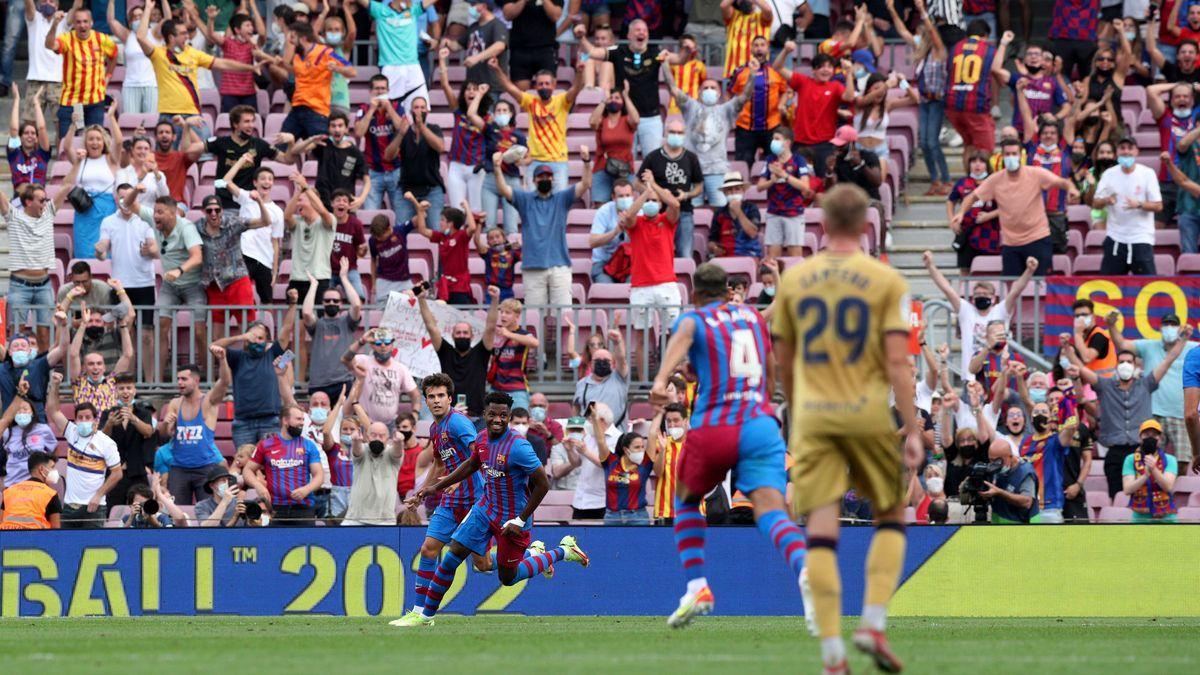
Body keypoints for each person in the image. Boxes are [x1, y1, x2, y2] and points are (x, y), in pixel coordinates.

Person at [770, 184, 922, 672]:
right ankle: (873, 622)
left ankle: (833, 653)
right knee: (892, 515)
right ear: (864, 225)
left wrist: (799, 413)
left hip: (814, 414)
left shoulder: (796, 280)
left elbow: (783, 359)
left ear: (821, 222)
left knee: (819, 530)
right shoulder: (885, 280)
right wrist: (913, 425)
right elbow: (899, 363)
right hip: (867, 411)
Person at [647, 261, 805, 625]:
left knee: (685, 499)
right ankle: (805, 568)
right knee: (772, 511)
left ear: (696, 293)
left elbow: (678, 344)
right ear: (728, 290)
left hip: (716, 424)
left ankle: (698, 584)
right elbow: (769, 366)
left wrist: (659, 381)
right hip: (760, 424)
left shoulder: (694, 319)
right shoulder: (752, 317)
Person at [393, 392, 590, 627]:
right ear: (485, 414)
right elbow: (470, 465)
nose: (498, 419)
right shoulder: (483, 439)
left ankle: (562, 551)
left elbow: (543, 484)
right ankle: (425, 616)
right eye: (493, 414)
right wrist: (434, 487)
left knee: (508, 578)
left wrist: (521, 519)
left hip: (512, 519)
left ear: (508, 417)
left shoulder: (519, 447)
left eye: (503, 415)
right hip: (485, 509)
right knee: (452, 556)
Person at [1066, 326, 1192, 499]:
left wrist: (1183, 339)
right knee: (1117, 499)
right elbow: (1081, 368)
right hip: (1115, 454)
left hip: (1141, 451)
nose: (1125, 365)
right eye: (1121, 362)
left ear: (1135, 366)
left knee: (1147, 497)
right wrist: (1067, 348)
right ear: (1116, 366)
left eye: (1129, 362)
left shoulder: (1146, 384)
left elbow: (1169, 359)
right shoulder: (1105, 386)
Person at [402, 373, 490, 618]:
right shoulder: (434, 427)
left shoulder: (459, 423)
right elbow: (440, 465)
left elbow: (480, 455)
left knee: (483, 565)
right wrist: (422, 493)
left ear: (450, 399)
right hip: (451, 500)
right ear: (426, 402)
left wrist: (457, 479)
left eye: (441, 395)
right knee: (429, 549)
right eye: (432, 396)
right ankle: (419, 613)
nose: (437, 400)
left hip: (476, 500)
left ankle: (532, 554)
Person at [950, 138, 1080, 275]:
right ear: (1002, 156)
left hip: (1037, 239)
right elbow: (972, 197)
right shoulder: (995, 180)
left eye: (1014, 154)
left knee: (1039, 285)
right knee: (1011, 287)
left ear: (1021, 155)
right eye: (1007, 154)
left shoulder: (1035, 173)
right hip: (1011, 243)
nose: (1011, 157)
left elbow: (1062, 182)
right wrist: (961, 213)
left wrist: (1072, 189)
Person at [494, 149, 593, 307]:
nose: (545, 178)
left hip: (559, 265)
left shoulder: (562, 198)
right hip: (533, 266)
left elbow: (586, 184)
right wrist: (497, 168)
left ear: (553, 179)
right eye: (541, 176)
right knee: (534, 316)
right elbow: (503, 189)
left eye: (548, 176)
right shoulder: (525, 199)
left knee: (564, 314)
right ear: (534, 180)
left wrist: (587, 162)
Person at [1108, 312, 1197, 476]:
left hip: (1181, 413)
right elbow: (1122, 345)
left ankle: (1177, 498)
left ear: (1179, 328)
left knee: (1183, 463)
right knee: (1151, 459)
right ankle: (1156, 495)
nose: (1169, 328)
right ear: (1160, 328)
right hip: (1154, 414)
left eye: (1173, 325)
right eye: (1166, 324)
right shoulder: (1149, 346)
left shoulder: (1191, 348)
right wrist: (1111, 325)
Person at [923, 251, 1037, 377]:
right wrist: (930, 266)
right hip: (971, 376)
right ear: (972, 299)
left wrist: (1029, 271)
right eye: (977, 295)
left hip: (998, 375)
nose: (981, 297)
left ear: (993, 298)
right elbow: (947, 289)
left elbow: (1016, 291)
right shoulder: (966, 311)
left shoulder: (1000, 311)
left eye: (985, 295)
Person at [137, 16, 260, 126]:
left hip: (193, 114)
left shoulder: (193, 53)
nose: (187, 36)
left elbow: (222, 63)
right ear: (171, 37)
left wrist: (250, 67)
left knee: (202, 151)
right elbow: (140, 37)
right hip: (169, 115)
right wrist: (147, 8)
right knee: (170, 152)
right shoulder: (158, 54)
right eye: (183, 33)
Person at [3, 178, 78, 351]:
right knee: (17, 335)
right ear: (28, 202)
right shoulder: (14, 217)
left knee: (45, 335)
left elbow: (66, 185)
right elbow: (1, 199)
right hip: (19, 285)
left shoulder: (48, 215)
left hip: (44, 284)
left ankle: (44, 377)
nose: (46, 203)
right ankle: (16, 377)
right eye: (41, 200)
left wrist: (78, 162)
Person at [490, 56, 584, 190]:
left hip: (558, 161)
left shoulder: (562, 101)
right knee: (532, 205)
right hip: (534, 161)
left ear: (554, 85)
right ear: (535, 86)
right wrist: (497, 69)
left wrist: (580, 73)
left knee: (558, 204)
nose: (544, 87)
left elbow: (575, 89)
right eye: (540, 84)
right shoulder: (531, 101)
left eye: (547, 83)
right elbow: (510, 87)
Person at [664, 62, 748, 210]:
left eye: (713, 88)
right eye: (706, 88)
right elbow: (672, 88)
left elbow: (745, 96)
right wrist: (664, 64)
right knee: (689, 212)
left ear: (719, 93)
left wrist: (752, 75)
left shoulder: (726, 110)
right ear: (699, 92)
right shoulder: (690, 106)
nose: (709, 90)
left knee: (722, 211)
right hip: (691, 172)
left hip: (717, 171)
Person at [46, 371, 123, 528]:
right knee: (67, 548)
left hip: (94, 507)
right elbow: (53, 411)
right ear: (75, 419)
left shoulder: (106, 443)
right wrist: (55, 385)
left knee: (93, 550)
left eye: (88, 417)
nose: (83, 421)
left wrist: (99, 495)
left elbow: (117, 473)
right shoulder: (71, 432)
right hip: (70, 506)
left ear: (95, 420)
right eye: (80, 417)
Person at [775, 46, 856, 178]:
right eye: (822, 67)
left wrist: (849, 73)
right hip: (800, 143)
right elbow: (777, 67)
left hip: (824, 144)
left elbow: (849, 97)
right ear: (814, 70)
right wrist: (785, 51)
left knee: (824, 181)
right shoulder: (803, 81)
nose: (826, 70)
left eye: (830, 67)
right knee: (797, 181)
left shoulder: (835, 86)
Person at [156, 362, 230, 505]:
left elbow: (225, 381)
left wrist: (222, 359)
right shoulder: (175, 403)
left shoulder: (208, 401)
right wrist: (165, 423)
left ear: (196, 381)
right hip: (179, 468)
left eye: (184, 379)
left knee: (209, 514)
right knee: (178, 515)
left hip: (205, 467)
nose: (179, 382)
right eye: (178, 379)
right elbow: (164, 435)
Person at [416, 286, 494, 418]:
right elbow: (431, 327)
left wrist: (495, 299)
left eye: (465, 333)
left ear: (472, 336)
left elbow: (491, 327)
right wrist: (421, 299)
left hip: (478, 416)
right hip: (449, 415)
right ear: (452, 336)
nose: (462, 335)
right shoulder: (446, 351)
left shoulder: (481, 353)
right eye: (458, 333)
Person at [242, 405, 326, 526]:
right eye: (298, 419)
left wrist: (307, 489)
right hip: (276, 509)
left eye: (303, 419)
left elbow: (319, 475)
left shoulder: (308, 445)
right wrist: (257, 485)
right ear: (285, 421)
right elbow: (247, 470)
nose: (302, 423)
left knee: (304, 544)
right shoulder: (265, 445)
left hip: (303, 508)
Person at [1091, 138, 1162, 275]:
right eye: (1122, 148)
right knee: (1108, 285)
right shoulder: (1109, 174)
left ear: (1136, 151)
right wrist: (1106, 200)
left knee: (1147, 286)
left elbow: (1158, 206)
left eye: (1130, 148)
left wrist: (1139, 204)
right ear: (1117, 152)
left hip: (1141, 237)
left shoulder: (1147, 173)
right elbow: (1095, 204)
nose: (1126, 151)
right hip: (1115, 237)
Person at [275, 21, 356, 140]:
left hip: (316, 111)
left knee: (323, 151)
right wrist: (283, 64)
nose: (290, 42)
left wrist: (337, 68)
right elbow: (298, 72)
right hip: (297, 109)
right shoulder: (298, 57)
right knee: (281, 145)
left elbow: (352, 71)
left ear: (302, 38)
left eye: (292, 37)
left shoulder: (325, 52)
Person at [47, 8, 118, 140]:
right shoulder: (67, 38)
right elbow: (50, 45)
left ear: (91, 22)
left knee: (95, 142)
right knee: (67, 143)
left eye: (85, 21)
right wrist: (55, 24)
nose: (82, 25)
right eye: (78, 22)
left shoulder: (101, 39)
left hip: (95, 101)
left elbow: (114, 54)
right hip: (71, 102)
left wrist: (108, 76)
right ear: (73, 24)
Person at [638, 119, 703, 258]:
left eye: (679, 132)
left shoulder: (691, 158)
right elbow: (637, 183)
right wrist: (654, 193)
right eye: (672, 132)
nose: (676, 135)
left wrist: (686, 195)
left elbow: (699, 186)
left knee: (685, 254)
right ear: (665, 133)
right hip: (658, 214)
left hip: (684, 211)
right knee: (657, 254)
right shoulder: (653, 157)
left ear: (684, 135)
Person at [945, 24, 1008, 167]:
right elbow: (997, 73)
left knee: (969, 145)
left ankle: (968, 183)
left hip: (952, 105)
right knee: (986, 150)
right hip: (975, 105)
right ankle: (980, 185)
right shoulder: (989, 49)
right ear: (985, 35)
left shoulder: (955, 48)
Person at [208, 105, 294, 209]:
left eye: (252, 121)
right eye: (247, 121)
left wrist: (291, 143)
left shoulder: (259, 144)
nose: (251, 125)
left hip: (249, 202)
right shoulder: (221, 142)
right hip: (224, 204)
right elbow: (190, 149)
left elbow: (287, 160)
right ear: (235, 124)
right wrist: (187, 128)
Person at [224, 162, 285, 306]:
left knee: (267, 301)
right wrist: (241, 161)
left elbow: (275, 242)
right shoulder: (246, 197)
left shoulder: (277, 211)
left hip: (265, 259)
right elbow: (226, 181)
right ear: (255, 182)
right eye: (263, 178)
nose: (266, 182)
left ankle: (266, 328)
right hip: (245, 254)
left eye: (270, 179)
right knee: (241, 297)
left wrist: (275, 270)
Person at [302, 263, 363, 403]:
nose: (331, 303)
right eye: (327, 300)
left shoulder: (347, 322)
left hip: (343, 382)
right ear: (322, 303)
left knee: (343, 422)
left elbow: (357, 305)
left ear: (341, 304)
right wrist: (314, 285)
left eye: (335, 300)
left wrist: (344, 278)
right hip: (318, 384)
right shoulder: (318, 325)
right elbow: (306, 312)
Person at [360, 0, 437, 110]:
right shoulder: (380, 10)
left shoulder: (413, 10)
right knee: (388, 110)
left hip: (413, 66)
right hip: (390, 66)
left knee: (421, 108)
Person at [383, 97, 446, 227]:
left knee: (436, 232)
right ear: (411, 110)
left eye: (422, 107)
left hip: (432, 189)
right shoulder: (404, 130)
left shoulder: (434, 128)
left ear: (427, 111)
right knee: (400, 233)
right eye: (416, 107)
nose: (419, 111)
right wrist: (400, 134)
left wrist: (422, 127)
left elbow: (440, 147)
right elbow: (388, 156)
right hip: (406, 191)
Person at [67, 111, 122, 260]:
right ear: (85, 142)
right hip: (84, 211)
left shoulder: (110, 159)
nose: (95, 142)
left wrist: (111, 117)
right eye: (91, 139)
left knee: (106, 253)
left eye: (98, 139)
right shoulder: (81, 159)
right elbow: (67, 147)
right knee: (84, 253)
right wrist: (73, 125)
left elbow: (119, 142)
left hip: (106, 212)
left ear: (104, 142)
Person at [341, 326, 422, 424]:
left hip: (390, 424)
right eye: (378, 343)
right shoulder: (364, 361)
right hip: (365, 422)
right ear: (372, 345)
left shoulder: (401, 368)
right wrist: (362, 341)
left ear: (392, 345)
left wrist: (415, 413)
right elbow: (345, 359)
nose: (383, 346)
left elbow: (415, 395)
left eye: (387, 342)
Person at [729, 39, 790, 166]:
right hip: (745, 127)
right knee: (743, 165)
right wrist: (732, 114)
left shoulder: (777, 71)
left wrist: (781, 104)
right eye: (756, 45)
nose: (759, 48)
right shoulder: (739, 71)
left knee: (774, 163)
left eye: (763, 45)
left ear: (768, 49)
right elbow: (729, 93)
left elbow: (785, 91)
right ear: (751, 49)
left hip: (772, 127)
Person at [197, 5, 269, 113]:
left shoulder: (252, 44)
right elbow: (211, 34)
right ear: (237, 30)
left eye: (251, 25)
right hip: (229, 94)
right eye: (247, 25)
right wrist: (211, 19)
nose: (251, 28)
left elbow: (262, 34)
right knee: (227, 125)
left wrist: (253, 6)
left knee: (251, 125)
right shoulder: (227, 43)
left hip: (249, 93)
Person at [755, 126, 811, 258]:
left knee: (795, 256)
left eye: (777, 139)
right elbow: (759, 187)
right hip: (774, 213)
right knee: (773, 258)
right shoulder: (770, 160)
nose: (773, 142)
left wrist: (785, 175)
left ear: (787, 142)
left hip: (794, 213)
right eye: (773, 139)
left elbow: (805, 187)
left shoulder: (799, 161)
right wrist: (772, 180)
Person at [355, 74, 406, 211]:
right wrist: (372, 110)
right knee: (371, 215)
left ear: (388, 91)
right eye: (376, 89)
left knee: (400, 214)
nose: (380, 92)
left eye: (383, 88)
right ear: (371, 92)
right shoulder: (364, 109)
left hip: (396, 169)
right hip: (373, 171)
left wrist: (389, 108)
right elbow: (359, 132)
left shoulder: (396, 107)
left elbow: (403, 129)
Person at [283, 173, 337, 302]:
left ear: (312, 202)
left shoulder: (327, 220)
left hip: (319, 278)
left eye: (301, 200)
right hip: (297, 278)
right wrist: (298, 192)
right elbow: (286, 216)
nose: (297, 204)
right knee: (297, 320)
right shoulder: (297, 221)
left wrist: (305, 186)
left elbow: (323, 211)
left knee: (316, 320)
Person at [943, 153, 1000, 273]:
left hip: (990, 233)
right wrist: (952, 220)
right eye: (974, 161)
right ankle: (963, 292)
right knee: (965, 269)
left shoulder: (995, 182)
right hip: (967, 232)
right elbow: (950, 201)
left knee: (991, 268)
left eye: (981, 161)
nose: (977, 165)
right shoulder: (962, 183)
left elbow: (1007, 206)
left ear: (987, 165)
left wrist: (989, 215)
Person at [22, 0, 71, 133]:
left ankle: (61, 155)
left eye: (51, 0)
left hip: (58, 82)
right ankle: (31, 155)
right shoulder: (34, 18)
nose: (48, 3)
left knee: (62, 127)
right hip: (35, 80)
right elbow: (27, 3)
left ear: (57, 5)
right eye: (44, 0)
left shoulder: (65, 19)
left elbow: (78, 5)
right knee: (29, 128)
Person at [589, 83, 639, 206]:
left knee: (626, 208)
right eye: (611, 97)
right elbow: (592, 122)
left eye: (617, 98)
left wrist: (626, 97)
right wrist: (603, 101)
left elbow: (636, 120)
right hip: (602, 168)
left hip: (625, 170)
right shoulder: (602, 121)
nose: (613, 100)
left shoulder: (627, 120)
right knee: (600, 208)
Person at [0, 382, 58, 489]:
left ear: (32, 412)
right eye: (18, 410)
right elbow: (5, 420)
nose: (21, 412)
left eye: (25, 409)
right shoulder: (7, 432)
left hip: (36, 485)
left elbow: (53, 450)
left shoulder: (43, 429)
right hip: (13, 485)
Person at [1122, 419, 1179, 522]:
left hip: (1166, 517)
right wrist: (1145, 476)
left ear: (1160, 439)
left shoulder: (1170, 459)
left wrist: (1154, 469)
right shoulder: (1130, 459)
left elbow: (1168, 487)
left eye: (1154, 435)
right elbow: (1127, 489)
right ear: (1140, 438)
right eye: (1146, 434)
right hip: (1140, 517)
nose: (1150, 438)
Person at [6, 84, 52, 194]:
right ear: (20, 138)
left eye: (33, 133)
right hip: (19, 202)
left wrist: (36, 103)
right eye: (26, 133)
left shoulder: (42, 154)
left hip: (38, 203)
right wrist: (17, 99)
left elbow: (41, 128)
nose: (30, 135)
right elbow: (14, 129)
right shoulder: (15, 154)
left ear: (37, 138)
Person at [0, 451, 62, 529]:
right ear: (41, 469)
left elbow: (1, 521)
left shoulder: (8, 492)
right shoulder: (50, 494)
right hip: (37, 539)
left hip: (7, 539)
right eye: (52, 467)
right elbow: (56, 532)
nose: (55, 471)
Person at [648, 403, 687, 524]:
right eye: (669, 421)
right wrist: (663, 450)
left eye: (676, 420)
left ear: (685, 421)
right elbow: (658, 473)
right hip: (664, 512)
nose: (672, 425)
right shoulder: (661, 443)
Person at [722, 0, 773, 77]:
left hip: (758, 71)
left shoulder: (761, 17)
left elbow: (768, 10)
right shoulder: (733, 16)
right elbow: (723, 5)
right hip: (734, 71)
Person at [1069, 298, 1115, 379]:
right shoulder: (1083, 338)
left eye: (1084, 315)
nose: (1080, 319)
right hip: (1091, 384)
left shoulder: (1099, 336)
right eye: (1077, 316)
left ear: (1093, 316)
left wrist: (1078, 334)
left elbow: (1087, 358)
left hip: (1105, 384)